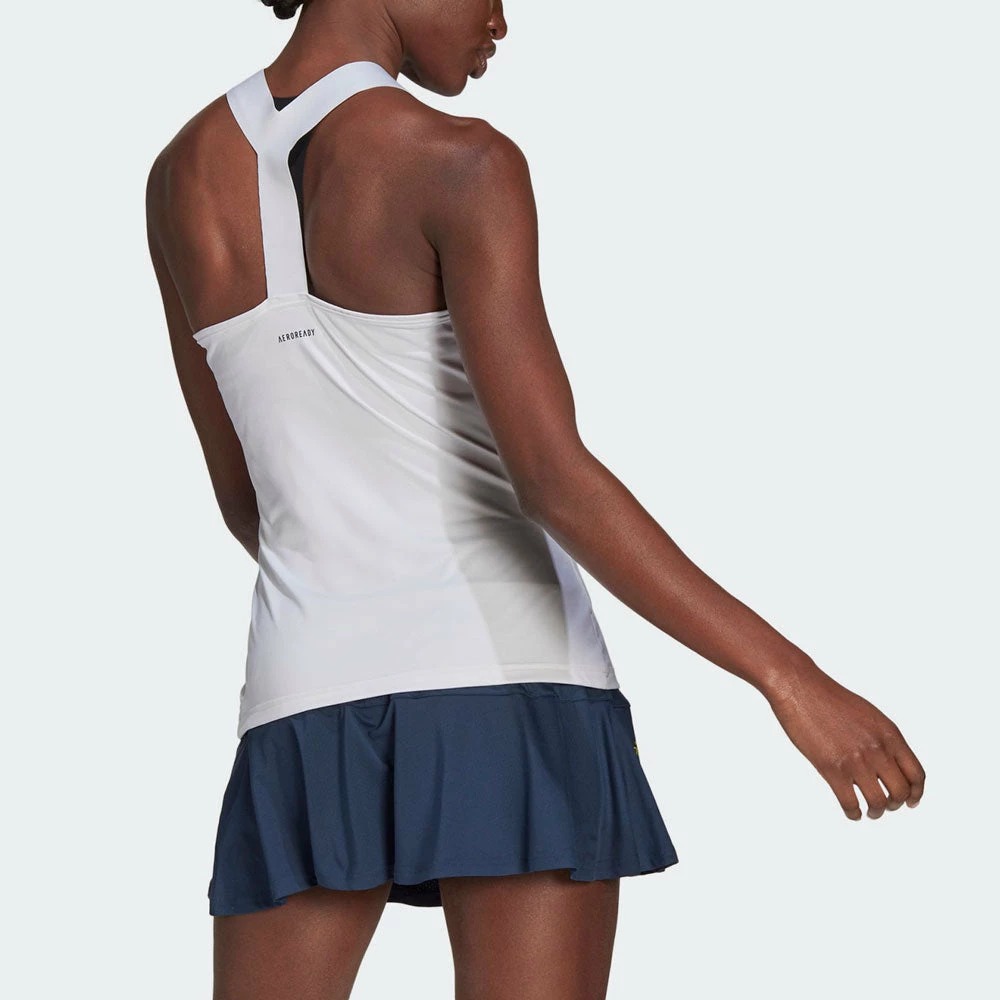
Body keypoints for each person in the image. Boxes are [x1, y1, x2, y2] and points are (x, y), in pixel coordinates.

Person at [144, 1, 926, 997]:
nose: (500, 19)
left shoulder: (179, 177)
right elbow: (552, 478)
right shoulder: (458, 160)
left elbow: (245, 499)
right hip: (510, 683)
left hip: (301, 695)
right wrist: (789, 676)